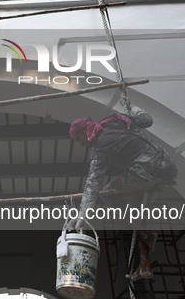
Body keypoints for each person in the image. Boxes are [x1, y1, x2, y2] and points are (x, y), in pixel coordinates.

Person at [67, 99, 178, 281]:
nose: (79, 144)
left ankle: (144, 233)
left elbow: (92, 183)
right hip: (167, 167)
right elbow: (146, 120)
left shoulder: (98, 146)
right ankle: (144, 264)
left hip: (146, 171)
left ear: (83, 132)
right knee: (136, 214)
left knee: (108, 195)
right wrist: (132, 105)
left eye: (77, 139)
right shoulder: (115, 120)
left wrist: (83, 216)